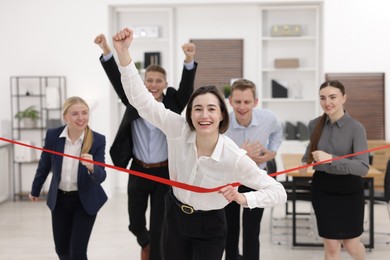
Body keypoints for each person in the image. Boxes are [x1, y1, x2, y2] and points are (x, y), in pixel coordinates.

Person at [112, 27, 287, 260]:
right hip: (174, 216)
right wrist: (123, 54)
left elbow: (278, 191)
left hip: (210, 225)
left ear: (222, 115)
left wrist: (245, 198)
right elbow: (142, 102)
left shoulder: (233, 156)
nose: (204, 115)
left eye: (211, 109)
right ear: (190, 114)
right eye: (198, 108)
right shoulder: (177, 129)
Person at [94, 34, 197, 260]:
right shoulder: (134, 100)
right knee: (136, 223)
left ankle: (155, 254)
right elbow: (116, 78)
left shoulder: (173, 104)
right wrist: (106, 50)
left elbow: (187, 88)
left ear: (165, 84)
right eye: (149, 80)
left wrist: (189, 59)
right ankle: (146, 243)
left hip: (164, 172)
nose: (153, 85)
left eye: (158, 81)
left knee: (161, 224)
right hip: (139, 170)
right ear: (143, 82)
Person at [29, 96, 107, 260]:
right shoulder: (53, 136)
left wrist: (92, 166)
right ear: (65, 116)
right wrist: (35, 190)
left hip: (84, 200)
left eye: (84, 113)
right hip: (60, 200)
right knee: (62, 250)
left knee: (78, 252)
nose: (81, 118)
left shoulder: (97, 139)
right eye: (75, 114)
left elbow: (101, 176)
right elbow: (44, 165)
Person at [299, 80, 369, 260]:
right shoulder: (314, 124)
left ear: (343, 98)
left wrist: (332, 159)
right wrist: (304, 162)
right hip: (323, 188)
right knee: (331, 245)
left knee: (351, 244)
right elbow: (310, 149)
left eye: (332, 97)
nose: (327, 102)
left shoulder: (356, 128)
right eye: (322, 98)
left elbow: (362, 167)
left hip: (349, 190)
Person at [224, 79, 283, 260]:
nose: (242, 107)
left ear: (255, 102)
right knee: (229, 229)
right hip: (230, 181)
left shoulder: (269, 118)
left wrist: (271, 152)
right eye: (238, 102)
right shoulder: (221, 124)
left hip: (256, 180)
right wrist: (242, 154)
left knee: (251, 230)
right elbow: (215, 156)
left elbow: (277, 132)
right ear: (230, 101)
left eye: (247, 102)